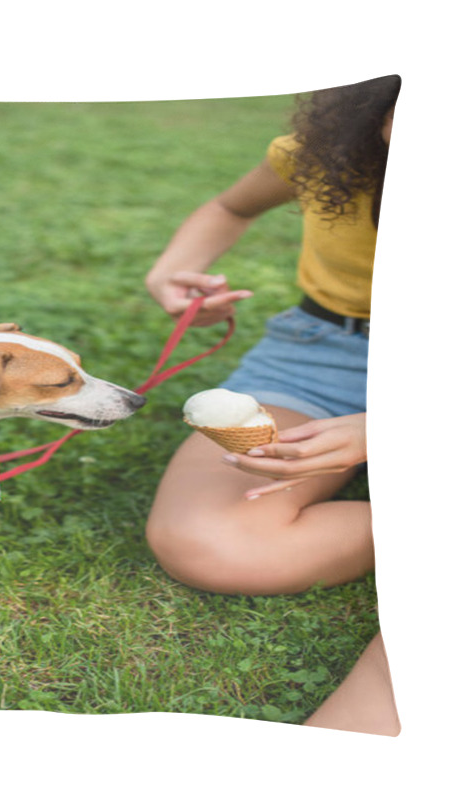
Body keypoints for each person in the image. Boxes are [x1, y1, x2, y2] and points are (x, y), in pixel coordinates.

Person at [143, 76, 401, 735]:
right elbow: (230, 208)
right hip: (330, 351)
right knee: (207, 542)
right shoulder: (324, 152)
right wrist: (179, 265)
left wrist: (402, 432)